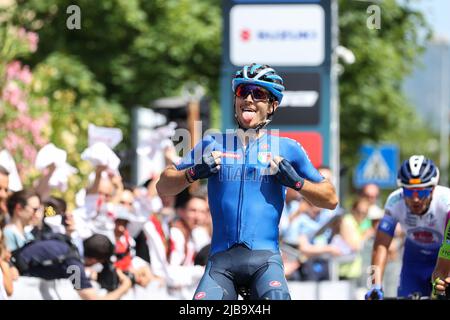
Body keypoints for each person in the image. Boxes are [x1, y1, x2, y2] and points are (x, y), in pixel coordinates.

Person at [156, 63, 338, 300]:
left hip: (265, 261)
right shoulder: (212, 143)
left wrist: (297, 183)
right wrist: (193, 173)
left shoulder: (287, 148)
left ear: (273, 106)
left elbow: (331, 199)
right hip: (221, 262)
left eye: (259, 94)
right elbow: (163, 185)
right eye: (243, 92)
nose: (249, 99)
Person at [366, 155, 450, 299]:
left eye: (422, 191)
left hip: (444, 255)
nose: (415, 198)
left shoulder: (446, 202)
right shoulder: (394, 202)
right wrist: (375, 285)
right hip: (414, 259)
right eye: (409, 192)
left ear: (433, 189)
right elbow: (380, 245)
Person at [10, 233, 132, 300]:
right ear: (95, 260)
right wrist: (124, 288)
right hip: (15, 284)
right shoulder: (73, 265)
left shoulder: (66, 241)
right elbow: (92, 299)